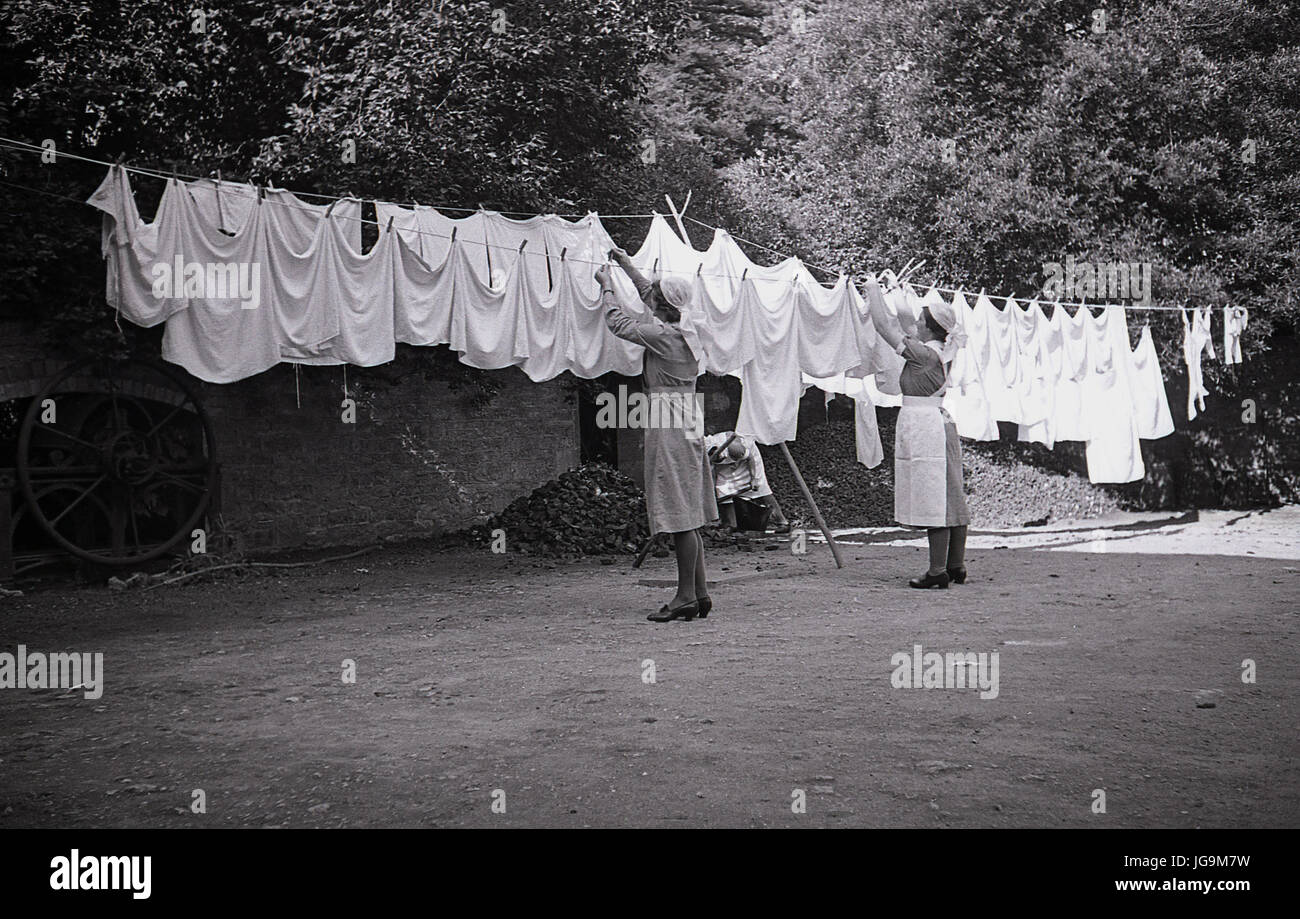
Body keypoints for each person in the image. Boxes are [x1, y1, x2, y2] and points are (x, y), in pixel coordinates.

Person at [597, 248, 719, 622]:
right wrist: (624, 263)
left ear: (662, 306)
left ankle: (684, 596)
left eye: (655, 297)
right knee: (688, 508)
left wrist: (606, 288)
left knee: (676, 510)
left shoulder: (663, 335)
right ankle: (698, 592)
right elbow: (651, 293)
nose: (649, 296)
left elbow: (618, 324)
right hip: (686, 413)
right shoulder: (687, 331)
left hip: (667, 417)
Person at [865, 282, 971, 588]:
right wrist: (896, 292)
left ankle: (937, 570)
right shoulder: (943, 348)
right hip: (940, 422)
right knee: (951, 493)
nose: (917, 324)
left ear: (930, 328)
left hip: (926, 426)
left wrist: (872, 288)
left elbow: (884, 326)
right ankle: (956, 564)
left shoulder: (923, 355)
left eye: (922, 322)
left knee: (933, 497)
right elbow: (908, 322)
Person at [704, 431, 791, 533]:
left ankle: (782, 521)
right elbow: (712, 473)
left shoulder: (734, 448)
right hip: (727, 462)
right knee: (722, 489)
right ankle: (731, 524)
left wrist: (754, 479)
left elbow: (750, 459)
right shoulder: (705, 449)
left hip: (748, 458)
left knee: (761, 488)